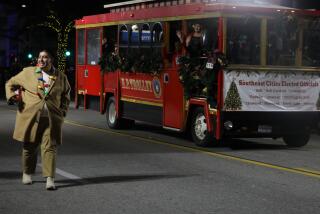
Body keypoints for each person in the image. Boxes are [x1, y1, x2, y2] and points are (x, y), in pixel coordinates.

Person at [5, 50, 71, 190]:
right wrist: (12, 96)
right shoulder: (28, 72)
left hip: (51, 119)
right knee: (29, 147)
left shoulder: (60, 76)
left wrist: (63, 110)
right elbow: (10, 83)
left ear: (51, 60)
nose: (41, 59)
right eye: (40, 57)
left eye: (45, 57)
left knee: (50, 147)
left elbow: (66, 95)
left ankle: (50, 179)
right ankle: (27, 173)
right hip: (31, 117)